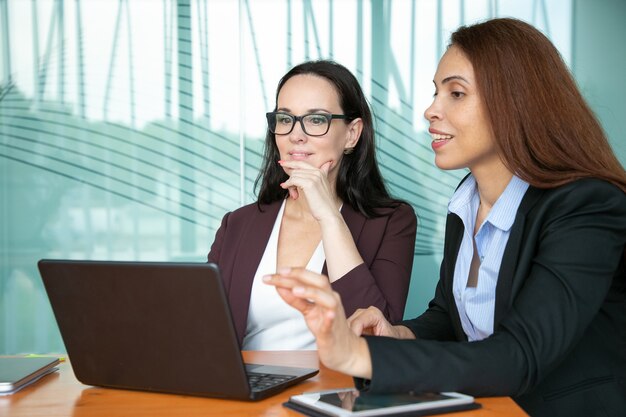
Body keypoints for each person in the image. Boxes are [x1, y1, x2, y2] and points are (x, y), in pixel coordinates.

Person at [264, 18, 626, 417]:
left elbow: (520, 354)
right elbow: (450, 319)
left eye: (456, 93)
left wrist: (361, 356)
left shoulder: (587, 206)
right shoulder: (466, 200)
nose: (430, 110)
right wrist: (398, 333)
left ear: (516, 101)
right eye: (436, 93)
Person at [208, 60, 417, 350]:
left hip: (336, 391)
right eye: (285, 119)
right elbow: (204, 329)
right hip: (248, 390)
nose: (296, 134)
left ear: (352, 134)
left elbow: (377, 336)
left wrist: (329, 218)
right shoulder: (238, 224)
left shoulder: (391, 221)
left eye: (316, 119)